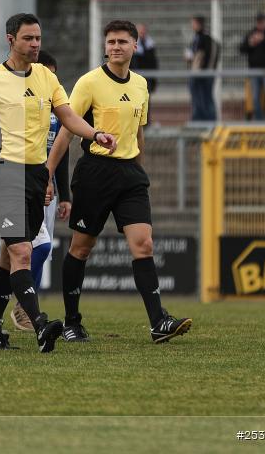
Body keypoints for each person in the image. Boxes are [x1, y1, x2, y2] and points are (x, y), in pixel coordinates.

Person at [0, 12, 117, 353]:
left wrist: (96, 133)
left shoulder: (45, 76)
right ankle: (40, 323)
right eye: (28, 38)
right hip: (4, 173)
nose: (35, 45)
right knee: (21, 252)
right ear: (10, 39)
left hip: (36, 174)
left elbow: (69, 116)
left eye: (38, 39)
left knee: (7, 257)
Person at [46, 19, 192, 344]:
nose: (115, 47)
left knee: (144, 244)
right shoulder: (89, 82)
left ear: (134, 45)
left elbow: (138, 130)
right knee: (82, 248)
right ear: (104, 46)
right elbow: (67, 130)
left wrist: (138, 169)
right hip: (95, 173)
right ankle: (72, 321)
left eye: (122, 42)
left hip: (130, 175)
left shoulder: (141, 84)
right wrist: (48, 174)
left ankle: (158, 322)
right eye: (110, 41)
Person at [10, 51, 70, 332]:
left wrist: (64, 193)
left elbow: (63, 155)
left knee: (35, 248)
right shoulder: (17, 104)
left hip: (43, 187)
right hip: (13, 185)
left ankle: (20, 307)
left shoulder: (56, 114)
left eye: (52, 74)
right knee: (17, 251)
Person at [239, 13, 265, 121]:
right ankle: (261, 121)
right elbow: (241, 49)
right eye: (258, 22)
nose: (260, 24)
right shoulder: (251, 33)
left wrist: (263, 39)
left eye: (262, 21)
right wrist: (251, 43)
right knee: (255, 98)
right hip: (254, 71)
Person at [186, 15, 217, 122]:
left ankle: (210, 121)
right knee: (197, 99)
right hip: (196, 73)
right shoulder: (197, 37)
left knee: (206, 98)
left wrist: (205, 70)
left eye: (193, 23)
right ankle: (198, 120)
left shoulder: (206, 38)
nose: (192, 25)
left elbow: (208, 56)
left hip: (204, 74)